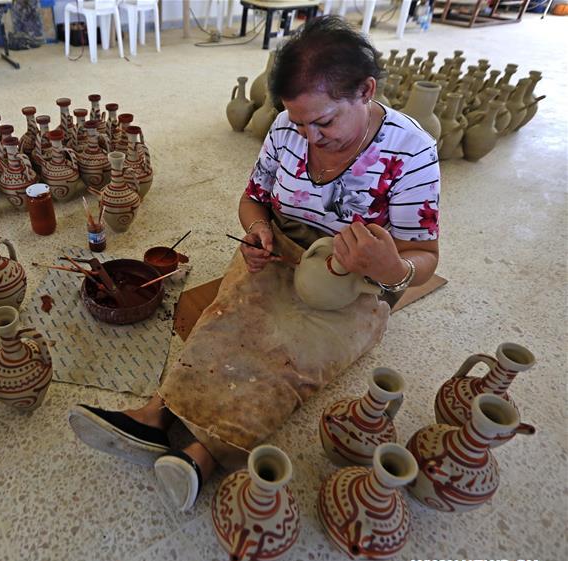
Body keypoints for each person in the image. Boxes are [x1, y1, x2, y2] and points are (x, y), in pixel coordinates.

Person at [68, 16, 440, 512]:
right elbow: (253, 199)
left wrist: (392, 270)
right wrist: (257, 230)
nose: (309, 135)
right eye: (299, 122)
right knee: (229, 322)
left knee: (289, 358)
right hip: (279, 252)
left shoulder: (410, 149)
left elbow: (427, 257)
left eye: (324, 121)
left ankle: (203, 456)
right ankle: (155, 416)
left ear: (365, 91)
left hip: (351, 283)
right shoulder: (287, 127)